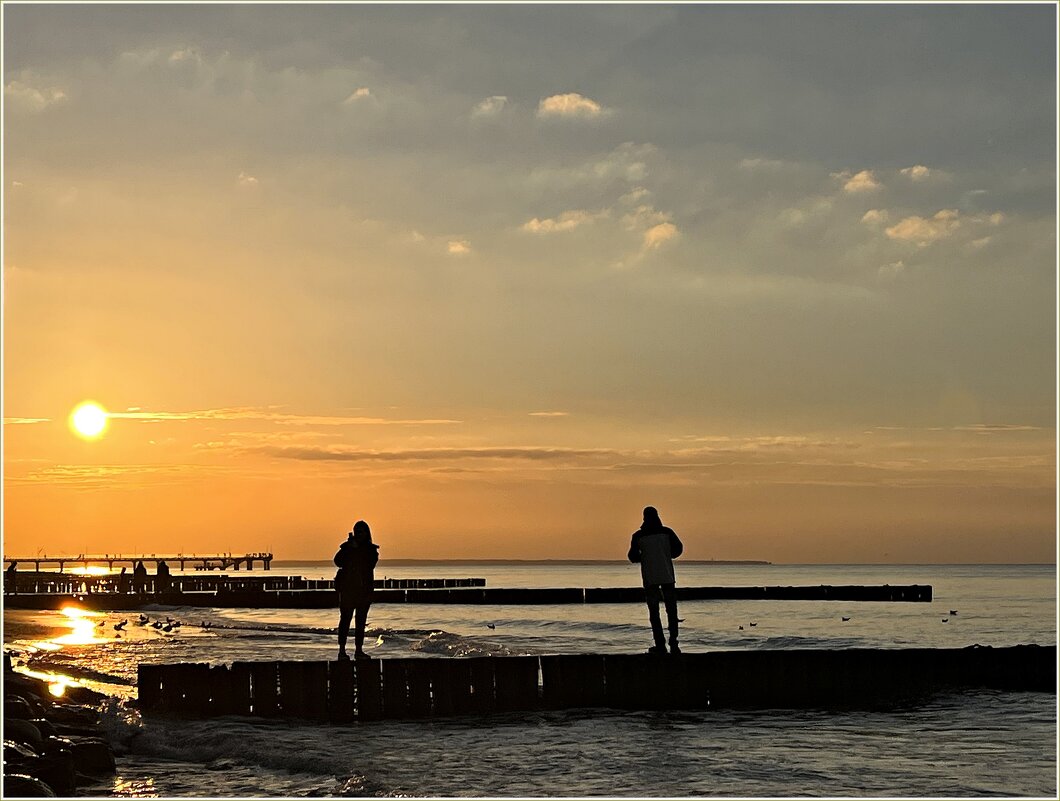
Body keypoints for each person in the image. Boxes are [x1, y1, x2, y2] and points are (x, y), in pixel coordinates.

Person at [627, 506, 684, 655]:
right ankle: (674, 641)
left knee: (654, 612)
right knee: (671, 610)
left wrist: (645, 557)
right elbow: (679, 549)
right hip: (667, 576)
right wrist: (666, 555)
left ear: (644, 518)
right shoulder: (667, 532)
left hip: (650, 577)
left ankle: (660, 643)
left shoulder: (638, 536)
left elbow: (632, 557)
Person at [334, 520, 379, 660]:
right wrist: (349, 548)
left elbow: (369, 565)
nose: (358, 534)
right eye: (356, 531)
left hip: (363, 591)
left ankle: (358, 651)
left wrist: (356, 550)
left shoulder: (371, 550)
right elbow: (337, 561)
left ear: (366, 533)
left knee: (361, 621)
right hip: (347, 589)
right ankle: (342, 651)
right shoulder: (347, 547)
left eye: (361, 532)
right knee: (345, 620)